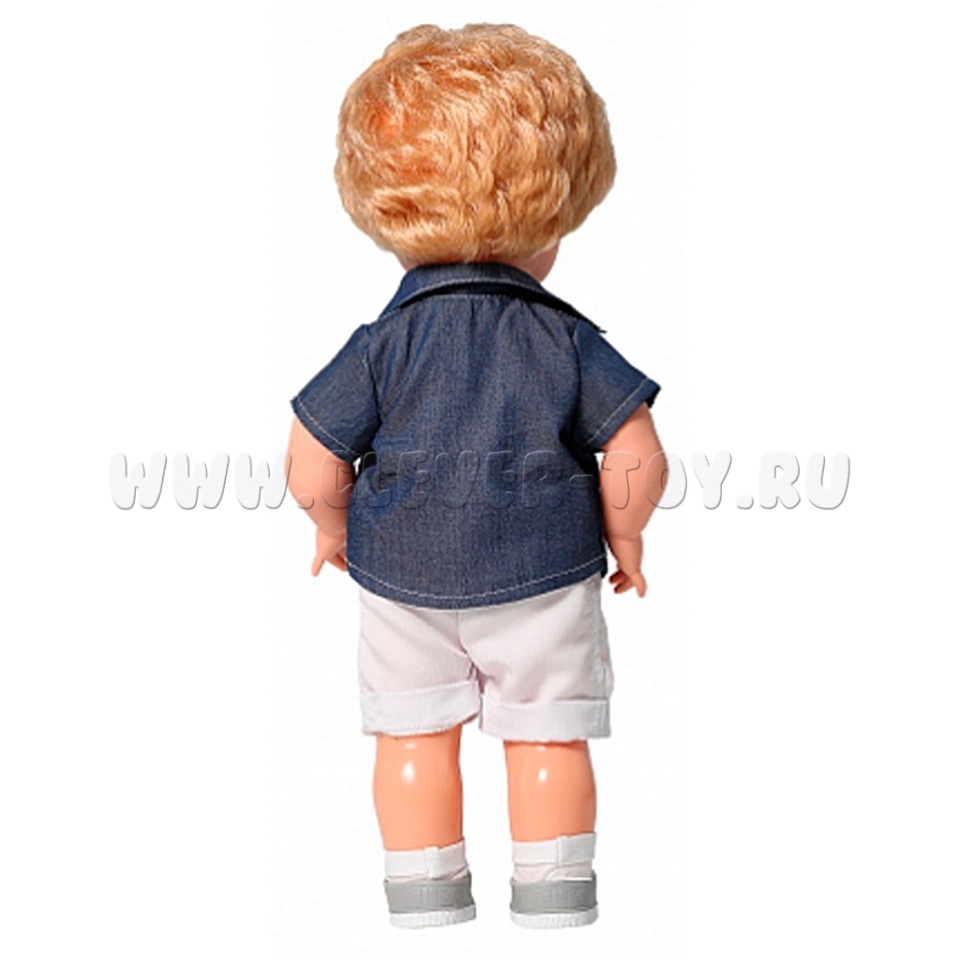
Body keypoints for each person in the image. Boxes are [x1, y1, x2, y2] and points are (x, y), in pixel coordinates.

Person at [286, 23, 667, 928]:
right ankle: (554, 895)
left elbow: (311, 455)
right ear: (557, 203)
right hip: (544, 577)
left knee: (411, 735)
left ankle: (423, 896)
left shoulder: (380, 346)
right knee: (549, 741)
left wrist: (332, 527)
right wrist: (626, 535)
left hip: (403, 580)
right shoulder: (567, 340)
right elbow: (636, 452)